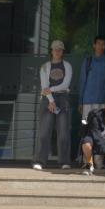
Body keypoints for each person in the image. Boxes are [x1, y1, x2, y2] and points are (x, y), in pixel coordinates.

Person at [33, 40, 73, 170]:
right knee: (44, 132)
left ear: (63, 51)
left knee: (63, 132)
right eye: (55, 49)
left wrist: (50, 90)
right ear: (51, 51)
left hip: (62, 97)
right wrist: (51, 100)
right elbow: (44, 85)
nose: (57, 51)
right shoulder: (45, 66)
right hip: (47, 100)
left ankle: (64, 161)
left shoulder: (67, 65)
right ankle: (40, 161)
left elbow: (65, 84)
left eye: (60, 49)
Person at [78, 35, 105, 119]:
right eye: (98, 44)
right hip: (87, 101)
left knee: (101, 125)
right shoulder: (88, 61)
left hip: (103, 100)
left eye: (103, 44)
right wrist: (80, 102)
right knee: (87, 124)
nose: (100, 46)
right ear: (94, 45)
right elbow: (82, 82)